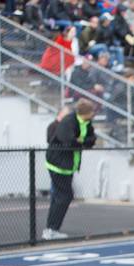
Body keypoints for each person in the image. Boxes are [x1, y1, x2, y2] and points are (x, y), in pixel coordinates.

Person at [43, 98, 97, 240]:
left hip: (69, 166)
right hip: (58, 164)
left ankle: (51, 228)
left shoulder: (87, 122)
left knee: (60, 196)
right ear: (87, 112)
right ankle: (51, 229)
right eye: (92, 112)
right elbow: (68, 142)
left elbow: (92, 140)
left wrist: (81, 141)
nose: (93, 115)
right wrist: (80, 142)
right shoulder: (69, 121)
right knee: (64, 196)